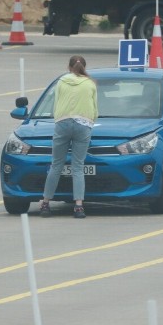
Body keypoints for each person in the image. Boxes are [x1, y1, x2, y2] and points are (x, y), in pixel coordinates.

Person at [40, 55, 98, 219]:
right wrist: (90, 121)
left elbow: (56, 103)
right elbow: (95, 109)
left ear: (69, 67)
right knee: (78, 166)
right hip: (83, 123)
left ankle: (45, 203)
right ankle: (78, 206)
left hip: (63, 122)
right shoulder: (90, 84)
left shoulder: (61, 81)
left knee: (56, 165)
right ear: (84, 67)